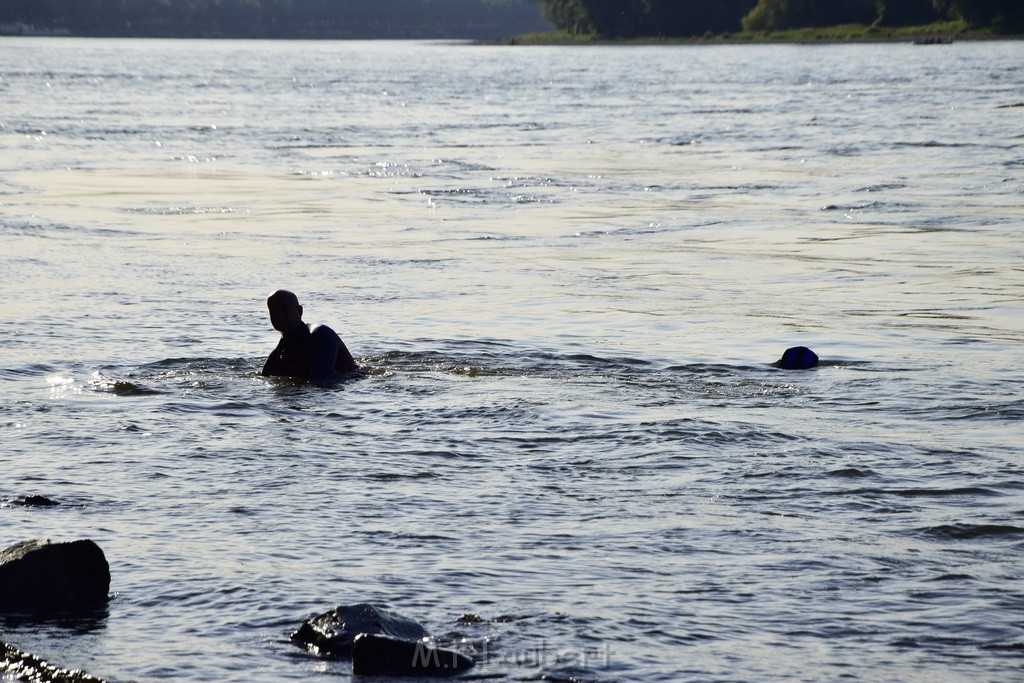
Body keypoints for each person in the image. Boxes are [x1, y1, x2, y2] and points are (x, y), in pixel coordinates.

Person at [261, 289, 360, 380]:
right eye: (274, 311)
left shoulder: (321, 335)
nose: (279, 315)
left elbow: (322, 380)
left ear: (300, 311)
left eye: (285, 309)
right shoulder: (276, 356)